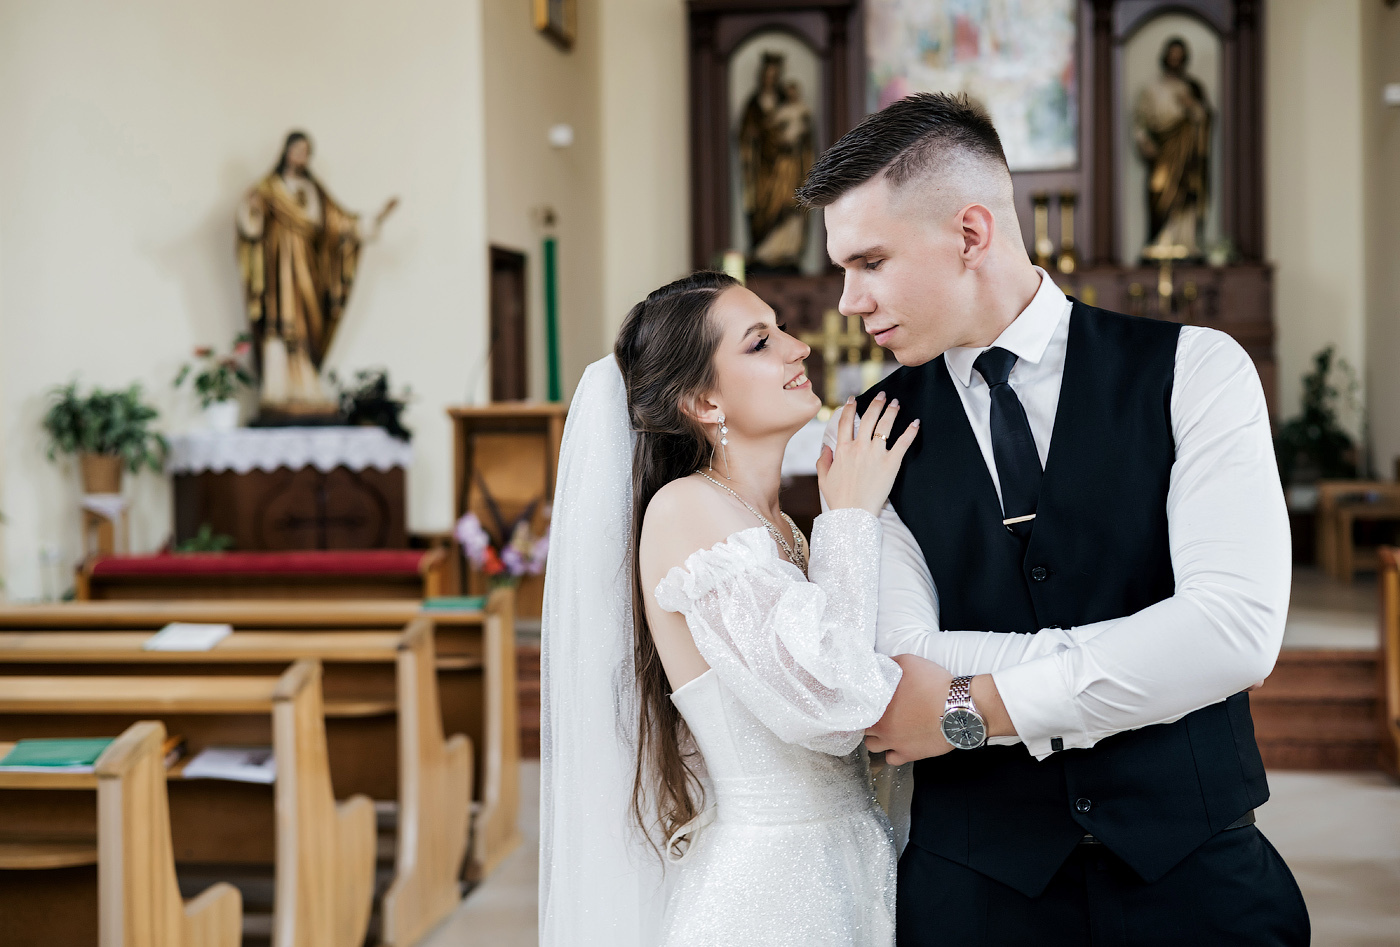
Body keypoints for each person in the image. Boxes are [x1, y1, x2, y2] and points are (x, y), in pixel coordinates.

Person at [795, 92, 1308, 945]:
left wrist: (967, 707)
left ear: (970, 234)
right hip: (974, 897)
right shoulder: (869, 431)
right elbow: (899, 661)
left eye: (871, 262)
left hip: (1200, 884)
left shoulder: (1198, 371)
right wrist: (1149, 646)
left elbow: (1234, 632)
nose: (848, 301)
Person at [539, 271, 919, 946]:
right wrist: (853, 518)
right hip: (770, 895)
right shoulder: (686, 510)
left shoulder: (776, 526)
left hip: (848, 864)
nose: (798, 347)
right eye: (760, 342)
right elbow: (831, 704)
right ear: (703, 401)